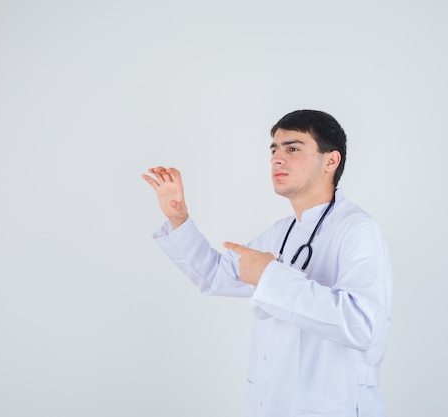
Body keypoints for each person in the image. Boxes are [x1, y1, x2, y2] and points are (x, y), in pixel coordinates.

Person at [141, 109, 393, 417]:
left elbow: (362, 325)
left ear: (331, 161)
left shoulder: (357, 229)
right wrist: (178, 219)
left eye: (293, 148)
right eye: (274, 149)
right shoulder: (281, 232)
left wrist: (270, 277)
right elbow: (216, 276)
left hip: (332, 405)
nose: (277, 158)